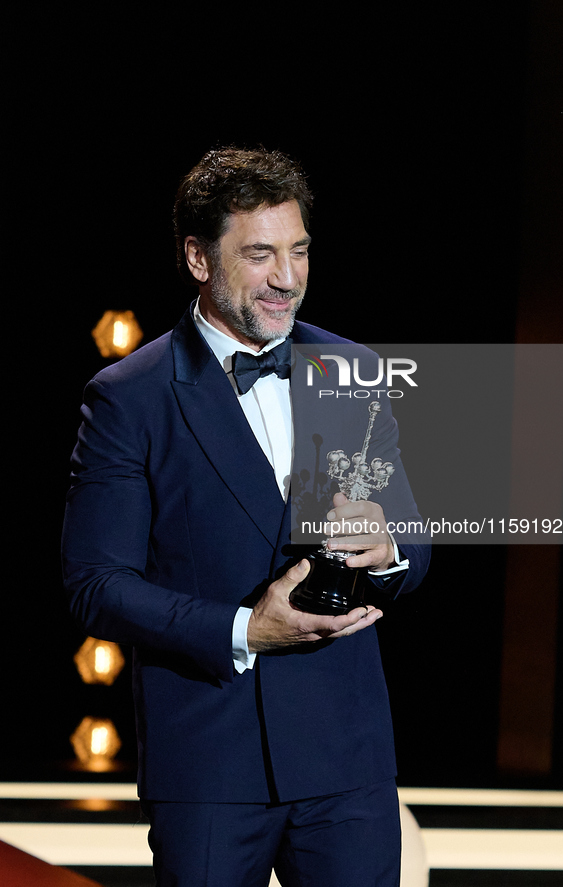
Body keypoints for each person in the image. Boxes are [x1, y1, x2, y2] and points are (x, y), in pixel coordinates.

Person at [62, 146, 430, 886]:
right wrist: (243, 629)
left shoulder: (351, 369)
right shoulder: (129, 395)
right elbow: (94, 584)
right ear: (199, 257)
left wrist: (388, 548)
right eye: (259, 254)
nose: (287, 278)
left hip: (345, 763)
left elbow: (414, 545)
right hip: (209, 764)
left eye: (297, 251)